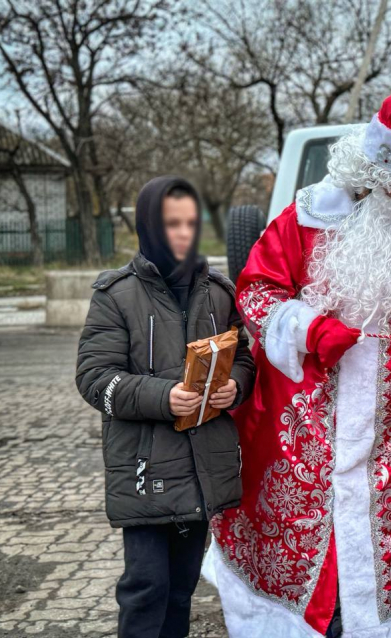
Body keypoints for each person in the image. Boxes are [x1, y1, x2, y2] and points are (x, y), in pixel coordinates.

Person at [201, 93, 391, 638]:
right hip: (297, 426)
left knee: (376, 537)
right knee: (295, 534)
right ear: (374, 171)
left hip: (382, 426)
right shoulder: (305, 218)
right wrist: (307, 328)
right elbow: (256, 291)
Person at [76, 176, 256, 638]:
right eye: (171, 223)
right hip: (145, 467)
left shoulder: (218, 290)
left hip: (202, 468)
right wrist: (164, 396)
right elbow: (95, 379)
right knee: (146, 588)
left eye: (190, 223)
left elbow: (245, 356)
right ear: (149, 225)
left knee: (181, 589)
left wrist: (233, 386)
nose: (182, 233)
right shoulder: (115, 295)